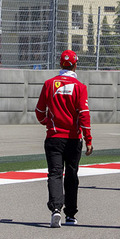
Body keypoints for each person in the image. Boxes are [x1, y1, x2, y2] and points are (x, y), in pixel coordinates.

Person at [35, 49, 93, 228]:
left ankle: (55, 210)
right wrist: (88, 138)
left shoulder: (49, 84)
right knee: (72, 175)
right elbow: (84, 114)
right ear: (75, 65)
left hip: (54, 137)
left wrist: (48, 123)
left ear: (60, 64)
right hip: (73, 138)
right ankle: (70, 215)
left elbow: (39, 111)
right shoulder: (80, 87)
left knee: (54, 173)